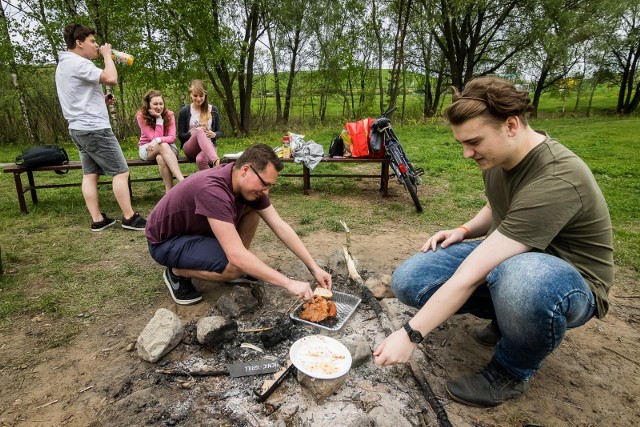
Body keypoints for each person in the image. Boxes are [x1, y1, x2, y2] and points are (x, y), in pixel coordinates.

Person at [373, 77, 613, 408]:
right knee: (409, 281)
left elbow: (472, 272)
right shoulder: (500, 155)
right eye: (462, 143)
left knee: (523, 282)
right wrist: (465, 229)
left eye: (473, 142)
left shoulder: (558, 177)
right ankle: (508, 319)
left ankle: (511, 371)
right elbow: (496, 204)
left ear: (511, 125)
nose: (466, 153)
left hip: (567, 283)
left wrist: (411, 333)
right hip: (514, 257)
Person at [145, 143, 332, 305]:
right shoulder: (213, 190)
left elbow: (280, 226)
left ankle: (234, 263)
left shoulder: (249, 187)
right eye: (265, 184)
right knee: (236, 265)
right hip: (166, 242)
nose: (266, 192)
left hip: (197, 232)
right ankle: (177, 272)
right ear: (245, 170)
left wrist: (314, 268)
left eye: (270, 187)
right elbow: (236, 256)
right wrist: (289, 283)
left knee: (253, 210)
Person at [55, 23, 146, 232]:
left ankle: (98, 219)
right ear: (79, 43)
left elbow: (77, 96)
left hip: (78, 128)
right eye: (92, 41)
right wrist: (107, 55)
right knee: (120, 172)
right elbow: (111, 78)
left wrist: (101, 101)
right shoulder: (79, 63)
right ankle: (130, 218)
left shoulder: (64, 65)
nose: (96, 45)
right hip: (94, 129)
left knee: (90, 174)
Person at [137, 90, 185, 192]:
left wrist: (158, 140)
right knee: (162, 145)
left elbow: (172, 138)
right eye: (155, 104)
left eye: (161, 103)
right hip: (147, 148)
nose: (159, 107)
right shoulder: (141, 116)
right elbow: (152, 138)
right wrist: (159, 119)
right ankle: (182, 181)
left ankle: (169, 193)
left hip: (170, 148)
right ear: (148, 104)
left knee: (161, 158)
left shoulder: (169, 114)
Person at [177, 80, 223, 170]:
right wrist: (191, 133)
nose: (198, 99)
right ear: (190, 94)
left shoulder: (213, 109)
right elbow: (180, 136)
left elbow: (219, 132)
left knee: (200, 159)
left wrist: (214, 134)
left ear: (205, 95)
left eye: (201, 96)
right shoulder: (184, 111)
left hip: (209, 146)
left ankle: (211, 182)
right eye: (195, 95)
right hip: (191, 148)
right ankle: (217, 162)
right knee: (199, 131)